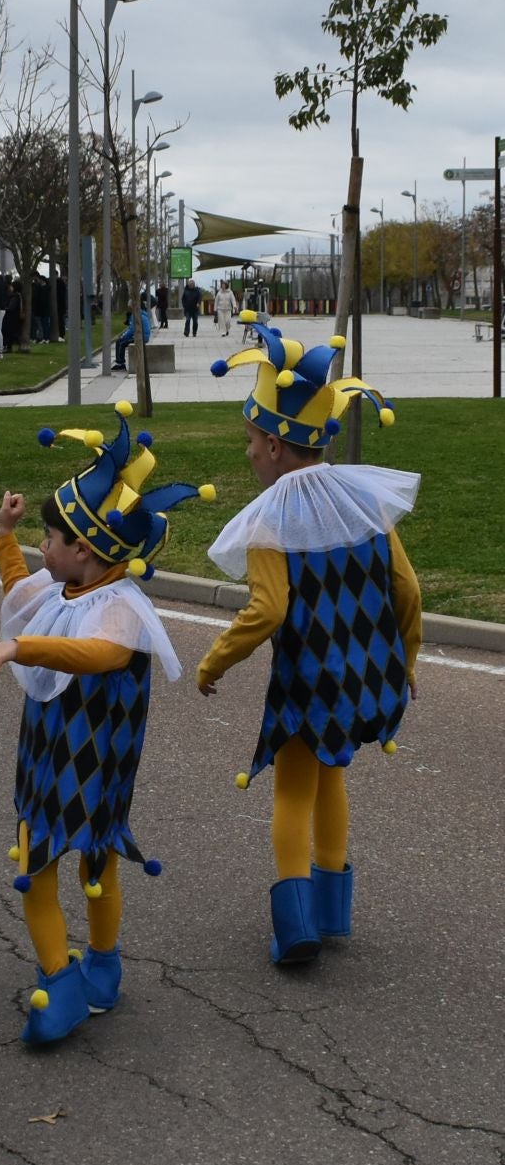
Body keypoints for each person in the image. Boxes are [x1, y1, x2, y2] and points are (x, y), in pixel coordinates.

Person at [0, 405, 212, 1042]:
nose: (40, 548)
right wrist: (3, 535)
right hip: (48, 754)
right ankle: (69, 975)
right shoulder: (66, 587)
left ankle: (90, 974)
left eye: (48, 538)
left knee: (89, 865)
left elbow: (101, 654)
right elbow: (21, 591)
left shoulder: (120, 607)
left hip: (94, 763)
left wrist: (23, 649)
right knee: (45, 860)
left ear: (82, 548)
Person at [199, 322, 422, 964]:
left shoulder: (271, 519)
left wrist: (214, 662)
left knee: (293, 792)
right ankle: (332, 911)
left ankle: (296, 925)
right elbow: (406, 588)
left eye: (249, 442)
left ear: (273, 445)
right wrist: (403, 661)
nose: (247, 454)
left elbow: (267, 609)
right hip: (359, 677)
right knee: (333, 779)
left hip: (306, 682)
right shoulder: (362, 500)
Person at [113, 302, 152, 371]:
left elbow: (131, 330)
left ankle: (121, 364)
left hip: (141, 337)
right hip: (144, 336)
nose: (129, 309)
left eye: (130, 308)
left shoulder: (135, 315)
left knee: (121, 343)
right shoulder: (142, 313)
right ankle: (120, 363)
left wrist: (123, 337)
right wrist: (123, 335)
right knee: (120, 341)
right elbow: (132, 328)